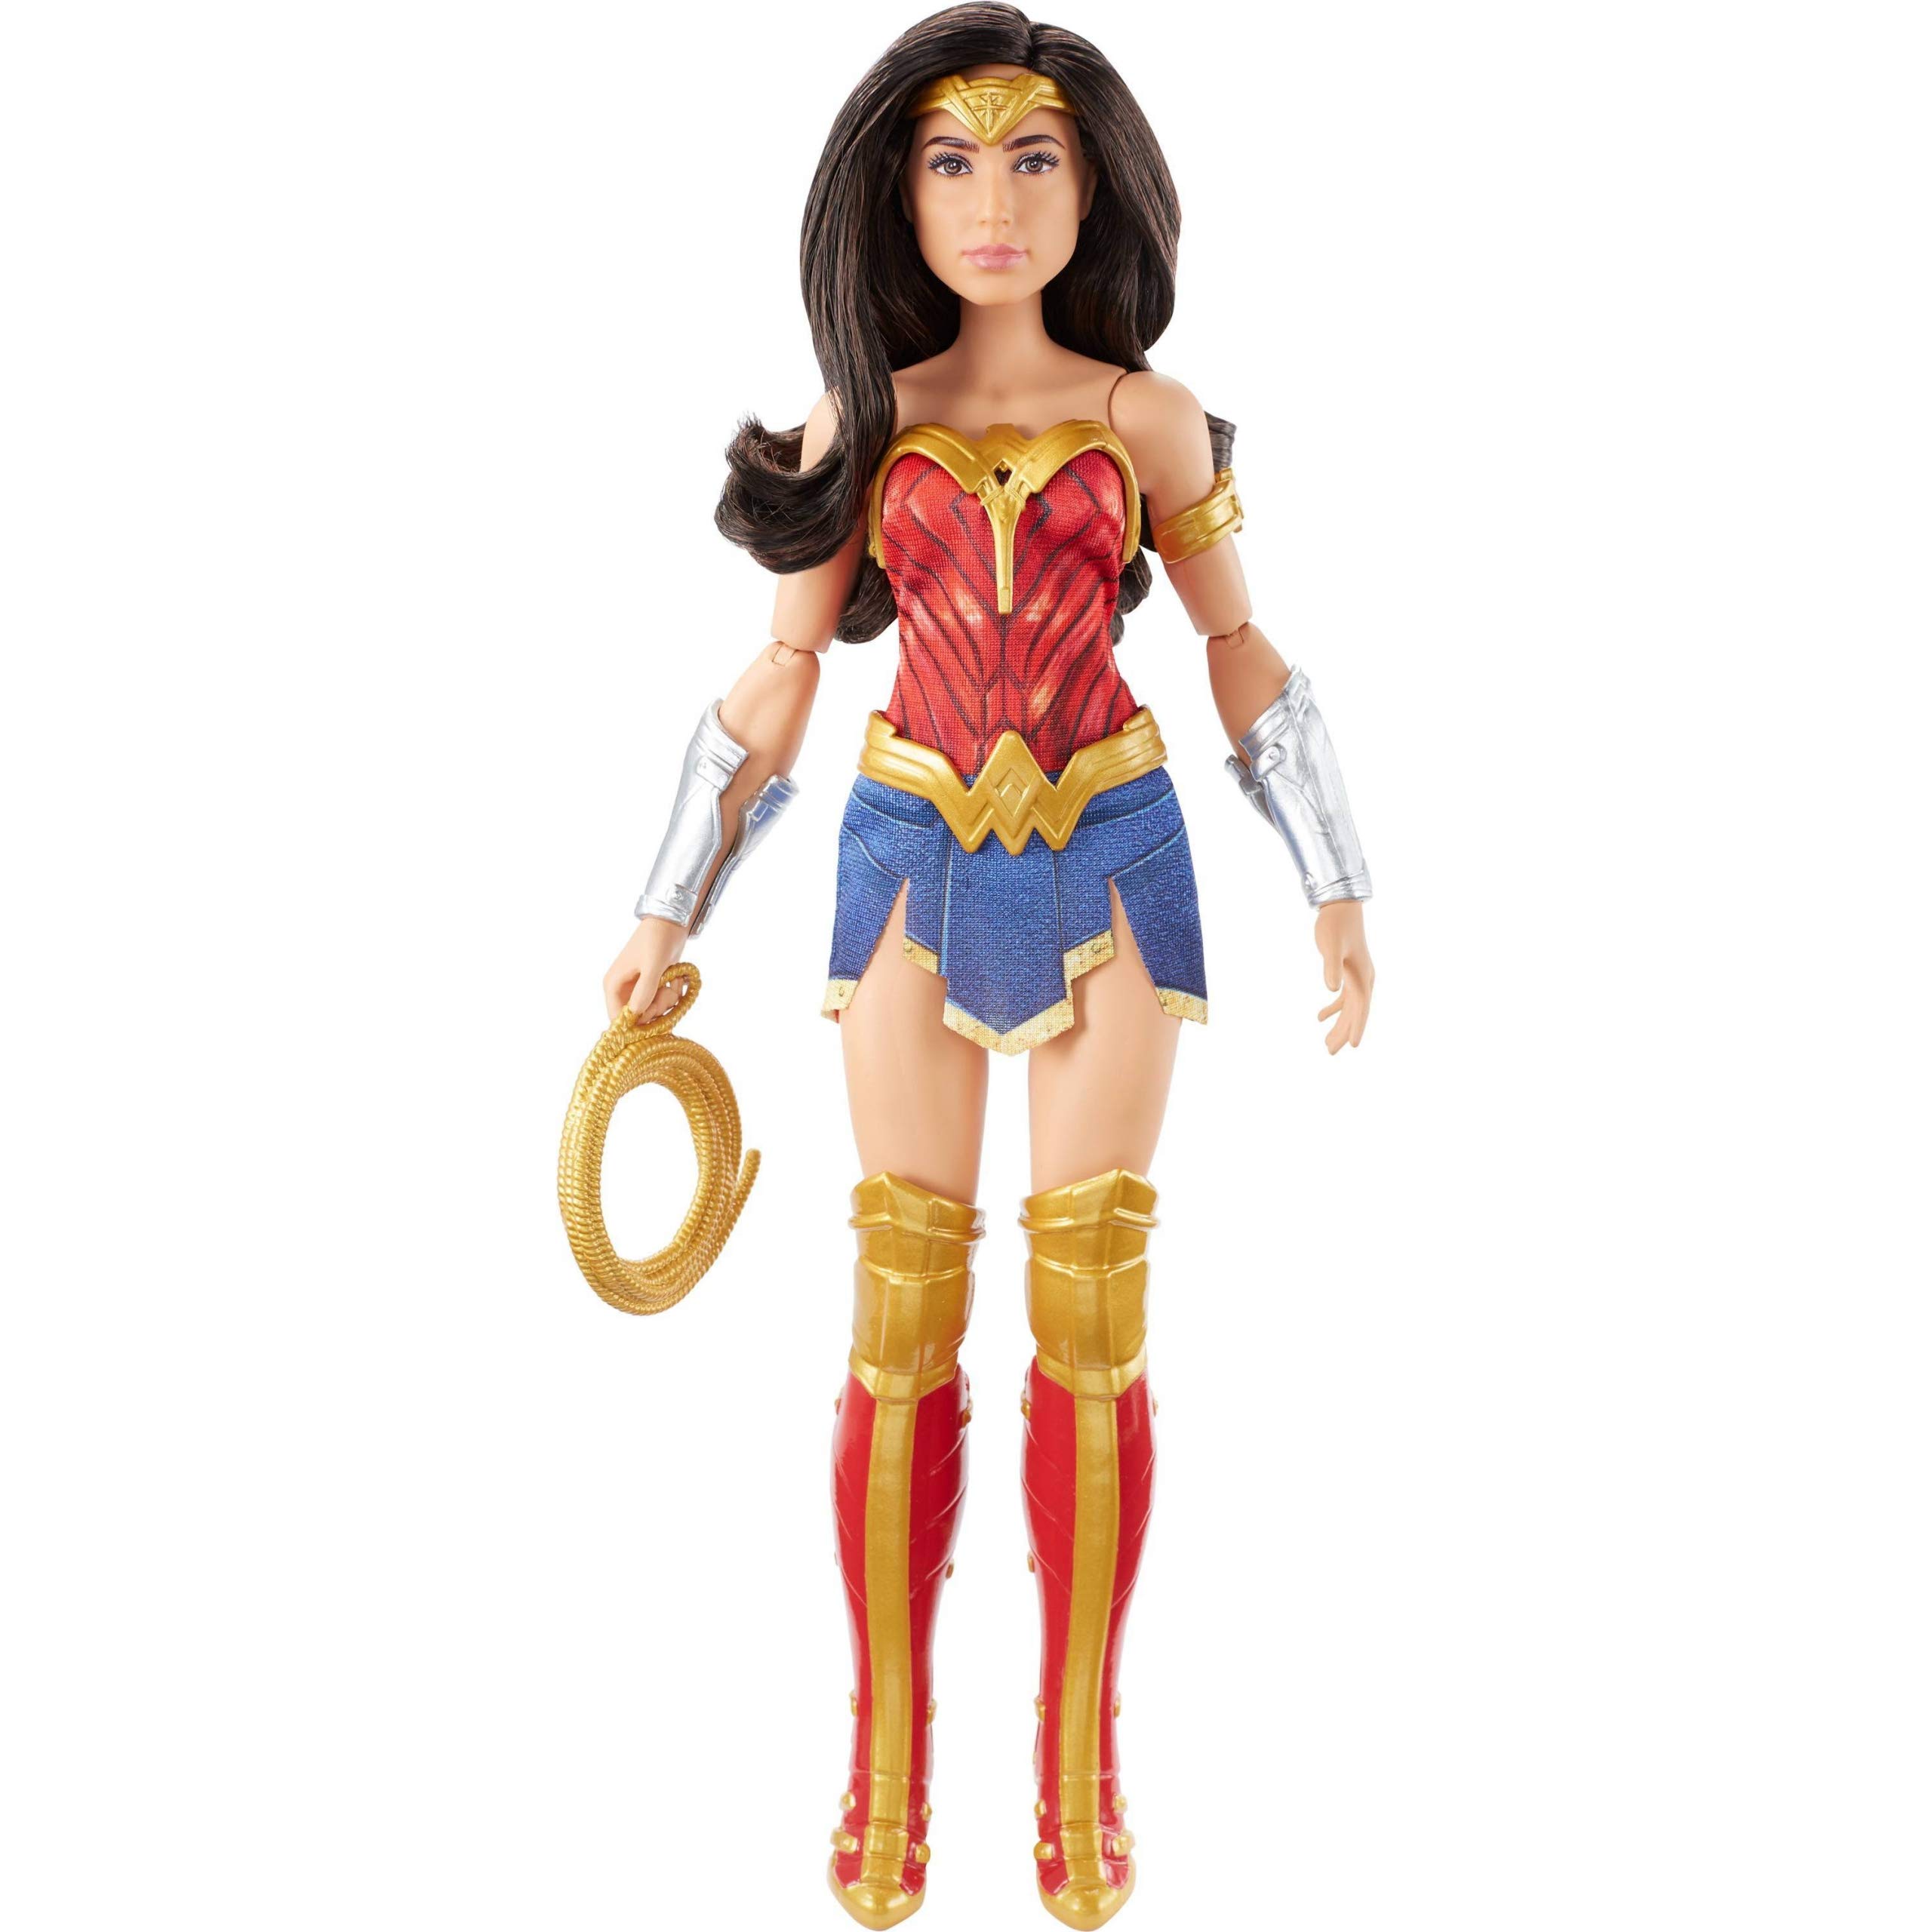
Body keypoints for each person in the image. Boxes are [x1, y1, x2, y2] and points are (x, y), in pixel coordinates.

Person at [601, 10, 1374, 1924]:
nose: (994, 198)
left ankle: (1077, 1758)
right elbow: (782, 670)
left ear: (1094, 184)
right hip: (910, 852)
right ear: (898, 191)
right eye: (953, 160)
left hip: (1110, 845)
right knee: (901, 1315)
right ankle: (885, 1760)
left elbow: (1239, 650)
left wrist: (1336, 880)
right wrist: (664, 901)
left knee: (1090, 1314)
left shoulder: (1146, 419)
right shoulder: (857, 421)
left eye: (1033, 157)